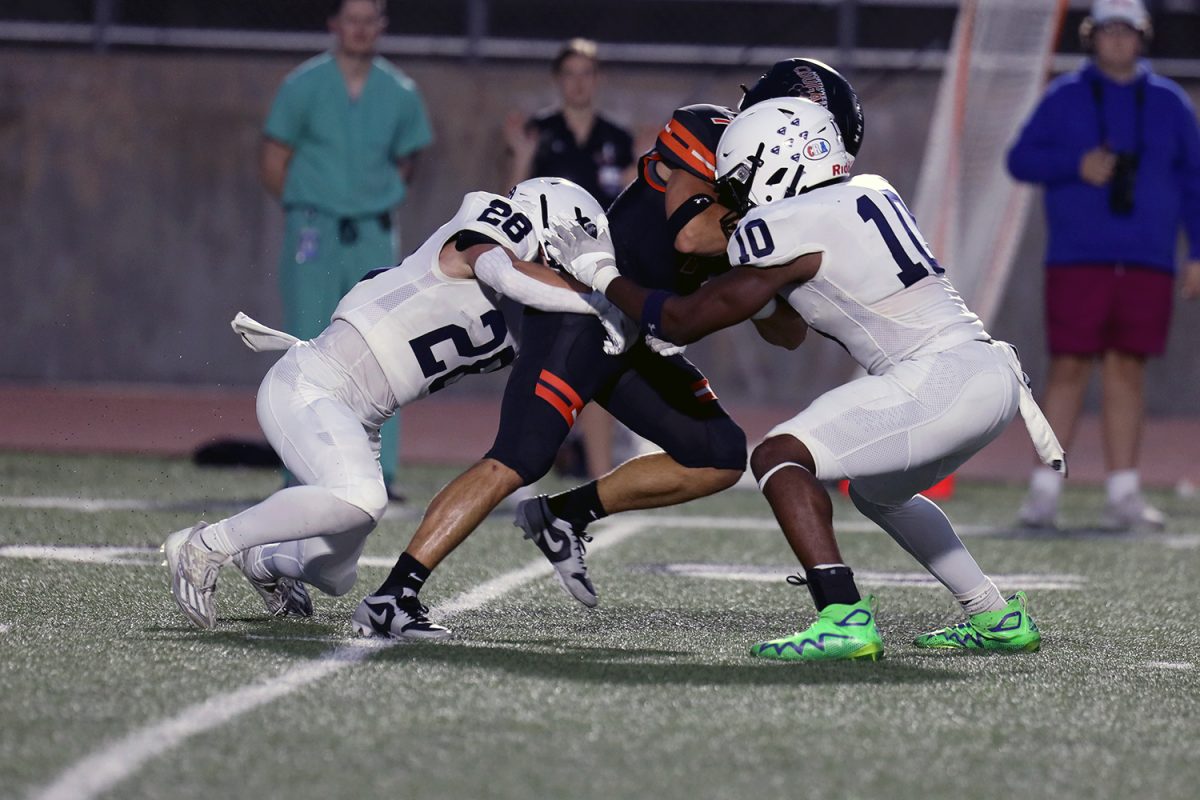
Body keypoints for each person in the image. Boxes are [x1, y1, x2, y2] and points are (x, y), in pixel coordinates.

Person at [353, 61, 868, 641]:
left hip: (637, 332)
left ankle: (563, 515)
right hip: (583, 312)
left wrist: (777, 279)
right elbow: (691, 234)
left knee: (720, 454)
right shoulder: (711, 132)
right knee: (521, 455)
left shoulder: (775, 195)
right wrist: (773, 227)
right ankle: (393, 595)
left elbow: (787, 332)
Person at [550, 97, 1065, 661]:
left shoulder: (788, 220)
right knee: (879, 495)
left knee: (778, 456)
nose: (739, 192)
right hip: (987, 374)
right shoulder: (872, 189)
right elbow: (788, 318)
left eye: (742, 177)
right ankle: (995, 615)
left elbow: (683, 318)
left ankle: (841, 616)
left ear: (779, 160)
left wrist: (600, 271)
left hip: (939, 377)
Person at [164, 179, 630, 631]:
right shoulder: (494, 227)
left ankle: (259, 558)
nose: (577, 264)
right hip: (314, 382)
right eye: (574, 245)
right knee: (361, 497)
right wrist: (601, 298)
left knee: (334, 574)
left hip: (363, 418)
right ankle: (206, 544)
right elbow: (505, 273)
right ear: (548, 222)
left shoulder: (544, 303)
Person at [1007, 0, 1200, 532]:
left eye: (1128, 31)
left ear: (1144, 37)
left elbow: (1194, 185)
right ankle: (1043, 491)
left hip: (1147, 259)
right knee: (1068, 366)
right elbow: (1018, 159)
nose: (1118, 41)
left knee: (1128, 370)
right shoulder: (1064, 95)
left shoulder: (1169, 102)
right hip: (1077, 256)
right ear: (1092, 37)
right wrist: (1076, 165)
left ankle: (1124, 493)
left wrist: (1198, 253)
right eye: (1109, 31)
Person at [259, 0, 434, 501]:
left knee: (382, 345)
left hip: (374, 232)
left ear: (381, 27)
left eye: (369, 19)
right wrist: (313, 203)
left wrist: (369, 199)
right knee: (306, 344)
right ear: (335, 24)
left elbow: (409, 158)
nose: (360, 28)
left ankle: (381, 470)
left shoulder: (400, 92)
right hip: (315, 230)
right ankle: (301, 471)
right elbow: (274, 160)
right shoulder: (303, 85)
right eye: (350, 18)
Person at [503, 38, 637, 479]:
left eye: (587, 73)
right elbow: (511, 201)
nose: (578, 83)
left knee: (597, 367)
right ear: (558, 80)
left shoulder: (616, 138)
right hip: (544, 267)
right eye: (570, 74)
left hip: (599, 269)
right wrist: (521, 155)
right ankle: (517, 470)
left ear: (596, 80)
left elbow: (629, 202)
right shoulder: (538, 132)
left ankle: (598, 481)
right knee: (536, 368)